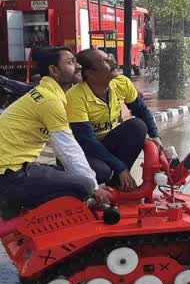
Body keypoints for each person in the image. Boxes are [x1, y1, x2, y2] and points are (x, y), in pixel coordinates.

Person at [0, 46, 111, 210]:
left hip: (8, 170)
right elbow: (67, 147)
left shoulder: (47, 93)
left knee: (91, 176)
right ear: (54, 70)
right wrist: (93, 188)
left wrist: (91, 182)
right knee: (84, 185)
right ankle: (10, 199)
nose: (79, 66)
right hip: (7, 174)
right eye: (71, 62)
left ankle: (13, 197)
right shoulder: (50, 100)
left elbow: (64, 148)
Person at [68, 48, 162, 191]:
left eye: (109, 57)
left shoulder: (121, 83)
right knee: (101, 172)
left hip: (106, 143)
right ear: (89, 73)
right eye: (104, 61)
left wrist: (155, 135)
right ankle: (90, 189)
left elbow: (141, 110)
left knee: (137, 126)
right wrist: (121, 167)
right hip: (82, 150)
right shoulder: (75, 97)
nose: (112, 61)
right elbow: (87, 141)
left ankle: (118, 183)